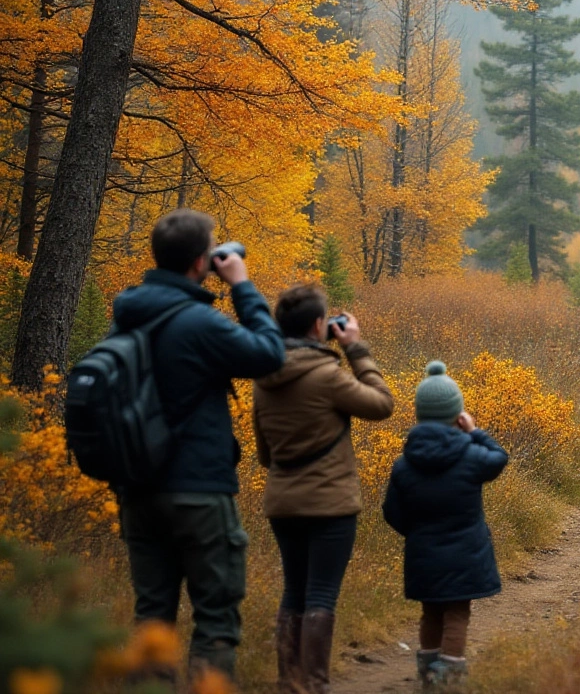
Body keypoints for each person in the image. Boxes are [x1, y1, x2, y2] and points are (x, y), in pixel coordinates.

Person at [110, 208, 285, 681]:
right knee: (215, 617)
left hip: (138, 489)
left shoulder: (126, 316)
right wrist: (242, 286)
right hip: (198, 490)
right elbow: (270, 355)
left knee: (152, 617)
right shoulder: (198, 323)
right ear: (199, 262)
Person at [252, 285, 395, 694]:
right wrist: (356, 349)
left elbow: (265, 454)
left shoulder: (263, 380)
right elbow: (382, 405)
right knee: (320, 595)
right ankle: (313, 685)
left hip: (283, 503)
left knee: (293, 590)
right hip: (330, 503)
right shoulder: (328, 375)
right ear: (320, 325)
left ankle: (288, 683)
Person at [382, 361, 508, 688]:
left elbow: (391, 512)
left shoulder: (404, 463)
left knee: (431, 613)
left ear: (420, 414)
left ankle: (427, 675)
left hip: (423, 554)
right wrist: (476, 431)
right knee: (457, 614)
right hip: (466, 555)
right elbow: (499, 458)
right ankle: (448, 680)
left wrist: (417, 534)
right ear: (457, 415)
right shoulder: (470, 454)